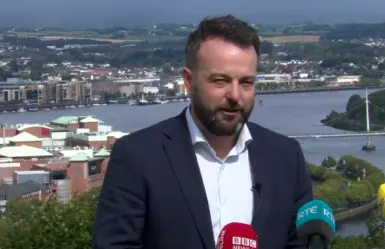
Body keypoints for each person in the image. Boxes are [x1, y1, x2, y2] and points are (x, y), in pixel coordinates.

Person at [92, 15, 313, 249]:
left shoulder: (286, 157)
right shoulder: (138, 156)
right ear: (189, 80)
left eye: (246, 82)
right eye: (220, 81)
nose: (235, 96)